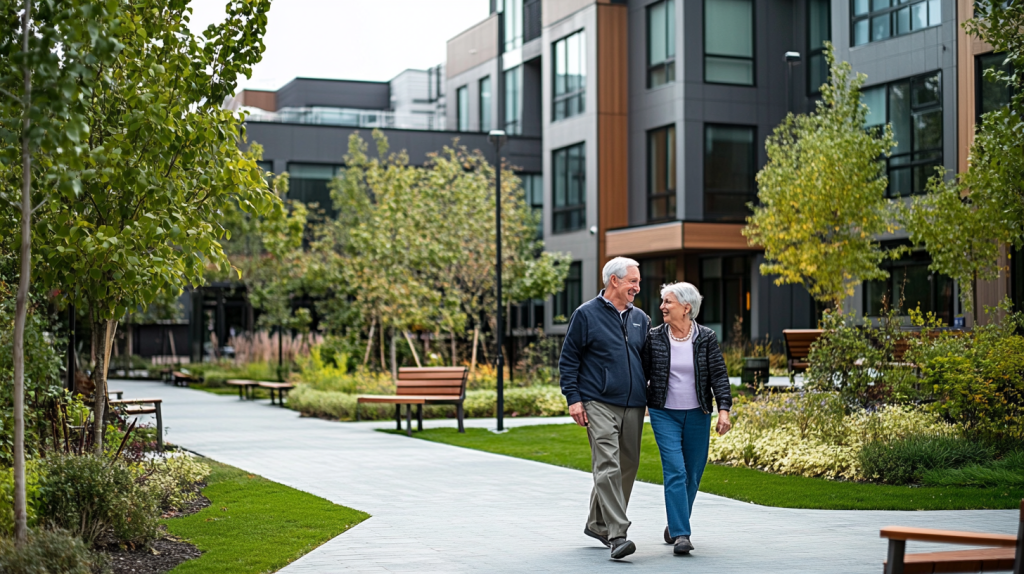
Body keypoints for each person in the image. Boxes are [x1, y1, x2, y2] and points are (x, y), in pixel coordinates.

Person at [559, 257, 650, 560]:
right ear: (614, 281)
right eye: (632, 281)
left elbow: (647, 362)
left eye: (637, 281)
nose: (637, 287)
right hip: (597, 400)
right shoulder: (585, 315)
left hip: (634, 403)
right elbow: (568, 360)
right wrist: (574, 399)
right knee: (607, 464)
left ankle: (596, 523)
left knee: (628, 466)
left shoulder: (641, 318)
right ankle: (617, 533)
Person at [641, 282, 732, 556]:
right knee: (675, 471)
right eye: (663, 302)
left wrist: (724, 410)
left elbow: (718, 375)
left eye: (668, 302)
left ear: (686, 307)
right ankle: (681, 534)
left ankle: (674, 522)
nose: (662, 307)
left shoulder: (705, 337)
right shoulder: (654, 337)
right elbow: (641, 371)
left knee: (693, 473)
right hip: (663, 412)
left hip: (698, 413)